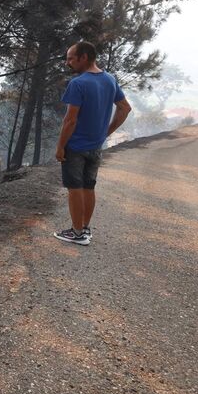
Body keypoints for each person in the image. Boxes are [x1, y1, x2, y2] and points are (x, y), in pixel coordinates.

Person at [54, 41, 132, 245]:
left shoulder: (78, 84)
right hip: (96, 147)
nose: (67, 62)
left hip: (76, 146)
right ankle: (85, 229)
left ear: (84, 57)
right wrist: (105, 132)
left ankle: (77, 233)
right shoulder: (110, 79)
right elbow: (125, 108)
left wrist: (61, 146)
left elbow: (70, 120)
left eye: (71, 58)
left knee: (75, 189)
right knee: (89, 187)